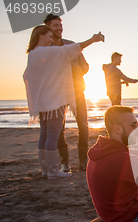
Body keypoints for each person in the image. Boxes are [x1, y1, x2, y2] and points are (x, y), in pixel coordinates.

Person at [23, 25, 104, 179]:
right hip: (54, 101)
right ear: (41, 36)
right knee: (52, 136)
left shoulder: (32, 54)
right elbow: (70, 49)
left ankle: (46, 170)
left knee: (44, 135)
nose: (51, 40)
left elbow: (27, 76)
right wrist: (93, 40)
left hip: (43, 102)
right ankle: (53, 172)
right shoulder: (46, 51)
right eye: (49, 36)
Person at [44, 14, 90, 172]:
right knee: (58, 129)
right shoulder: (45, 49)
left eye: (60, 25)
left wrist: (79, 69)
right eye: (55, 25)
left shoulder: (71, 45)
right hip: (57, 94)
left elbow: (86, 66)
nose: (59, 28)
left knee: (83, 125)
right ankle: (65, 163)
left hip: (77, 91)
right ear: (48, 28)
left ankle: (83, 161)